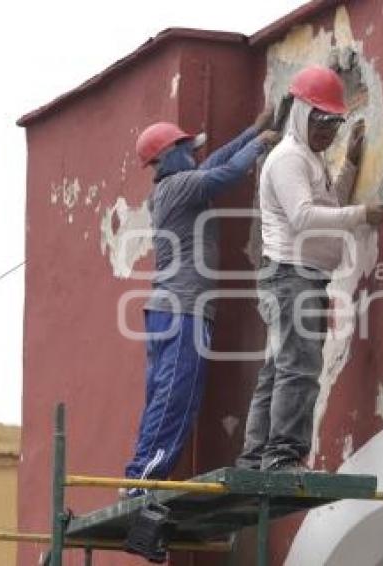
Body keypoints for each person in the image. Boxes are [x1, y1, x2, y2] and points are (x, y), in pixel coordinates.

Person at [237, 65, 383, 472]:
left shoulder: (309, 159)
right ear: (301, 113)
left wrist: (351, 166)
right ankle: (283, 456)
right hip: (292, 275)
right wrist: (363, 215)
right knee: (299, 367)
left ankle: (256, 457)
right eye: (321, 121)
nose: (328, 131)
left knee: (280, 367)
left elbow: (328, 206)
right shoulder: (289, 159)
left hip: (298, 277)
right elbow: (304, 217)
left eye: (335, 123)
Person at [123, 109, 281, 493]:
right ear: (165, 158)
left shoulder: (177, 185)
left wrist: (254, 128)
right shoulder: (179, 186)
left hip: (172, 311)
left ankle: (139, 475)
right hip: (183, 311)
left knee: (166, 396)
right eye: (186, 149)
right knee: (176, 398)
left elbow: (215, 161)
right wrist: (260, 145)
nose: (193, 154)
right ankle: (142, 480)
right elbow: (225, 173)